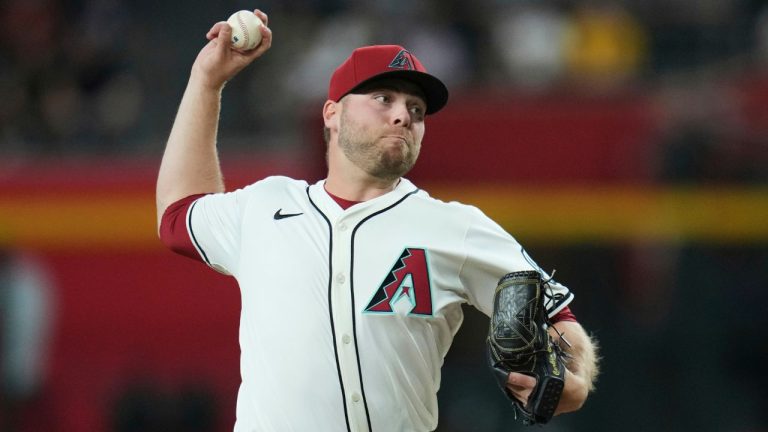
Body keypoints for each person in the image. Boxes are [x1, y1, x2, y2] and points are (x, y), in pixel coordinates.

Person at [156, 9, 599, 432]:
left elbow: (559, 313)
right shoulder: (266, 206)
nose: (403, 114)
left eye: (417, 109)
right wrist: (206, 82)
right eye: (383, 98)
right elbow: (178, 213)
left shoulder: (453, 226)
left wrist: (576, 378)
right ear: (332, 114)